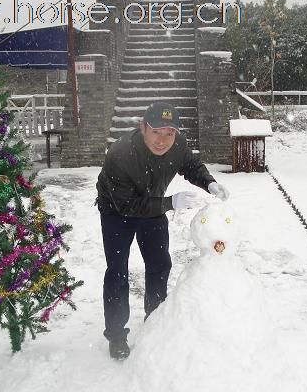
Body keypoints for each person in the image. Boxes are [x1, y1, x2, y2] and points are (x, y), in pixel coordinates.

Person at [96, 102, 229, 360]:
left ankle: (155, 321)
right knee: (117, 272)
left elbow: (190, 164)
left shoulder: (177, 145)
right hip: (116, 211)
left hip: (152, 207)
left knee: (159, 264)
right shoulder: (120, 154)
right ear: (143, 127)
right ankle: (116, 335)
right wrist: (170, 203)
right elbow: (127, 206)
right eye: (156, 131)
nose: (162, 140)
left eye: (169, 133)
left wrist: (209, 183)